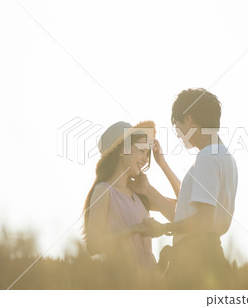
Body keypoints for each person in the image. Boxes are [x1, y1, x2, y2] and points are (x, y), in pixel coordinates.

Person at [129, 88, 238, 289]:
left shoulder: (207, 157)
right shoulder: (224, 157)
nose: (178, 133)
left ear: (188, 119)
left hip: (195, 258)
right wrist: (161, 168)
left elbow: (203, 221)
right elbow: (185, 210)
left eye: (177, 125)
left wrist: (163, 228)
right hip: (210, 252)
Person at [81, 120, 179, 285]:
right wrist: (135, 229)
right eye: (141, 151)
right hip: (122, 280)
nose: (146, 159)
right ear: (122, 150)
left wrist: (162, 164)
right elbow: (93, 245)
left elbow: (183, 210)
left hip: (150, 281)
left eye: (147, 154)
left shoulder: (139, 192)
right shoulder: (104, 190)